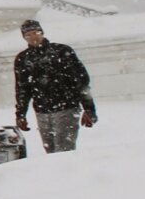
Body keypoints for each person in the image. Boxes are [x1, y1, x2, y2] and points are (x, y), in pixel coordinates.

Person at [13, 20, 97, 153]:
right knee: (50, 151)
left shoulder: (62, 51)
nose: (33, 37)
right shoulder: (23, 59)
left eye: (35, 32)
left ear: (42, 33)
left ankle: (67, 172)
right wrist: (21, 114)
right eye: (28, 35)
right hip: (42, 110)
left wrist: (89, 109)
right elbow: (22, 89)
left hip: (67, 107)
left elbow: (81, 81)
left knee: (64, 150)